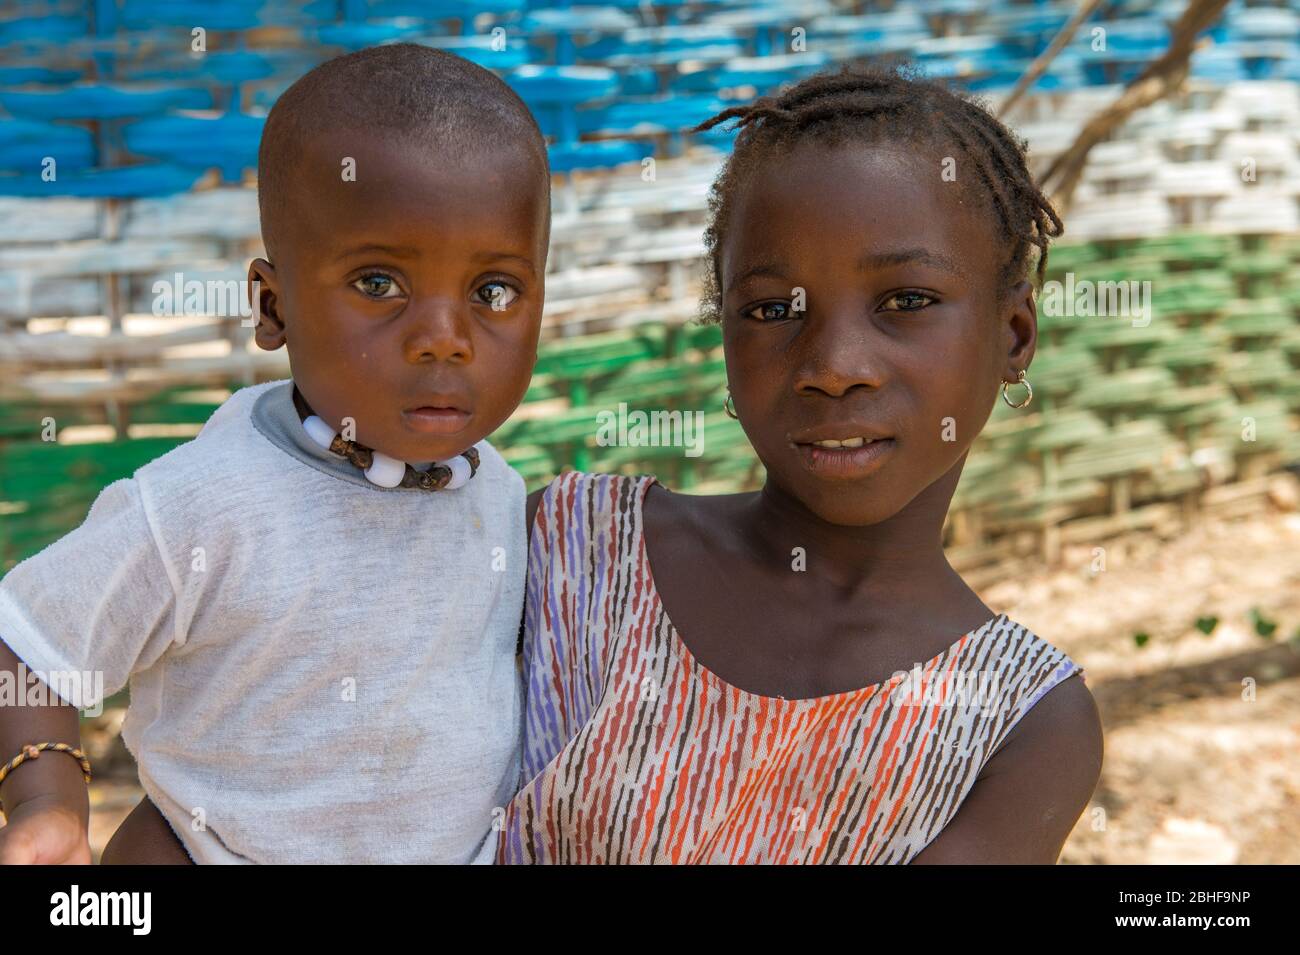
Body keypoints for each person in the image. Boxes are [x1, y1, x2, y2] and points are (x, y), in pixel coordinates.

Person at [500, 65, 1104, 864]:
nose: (835, 363)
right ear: (725, 338)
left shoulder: (1023, 724)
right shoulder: (573, 552)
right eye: (772, 309)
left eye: (908, 300)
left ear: (1015, 336)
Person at [0, 43, 550, 864]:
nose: (446, 339)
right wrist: (47, 801)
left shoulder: (503, 500)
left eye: (493, 291)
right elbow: (34, 643)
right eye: (378, 283)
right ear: (273, 306)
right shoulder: (207, 505)